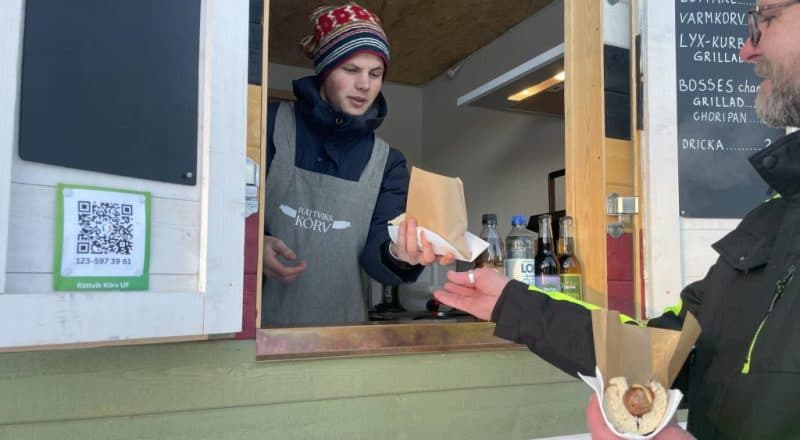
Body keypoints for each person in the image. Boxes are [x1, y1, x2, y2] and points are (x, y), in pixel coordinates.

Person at [434, 1, 800, 438]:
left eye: (765, 21)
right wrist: (511, 303)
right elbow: (667, 351)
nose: (745, 50)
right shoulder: (774, 217)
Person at [262, 3, 453, 326]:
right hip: (255, 338)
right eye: (351, 70)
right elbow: (222, 210)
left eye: (375, 74)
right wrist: (251, 242)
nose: (365, 84)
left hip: (343, 341)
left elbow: (375, 258)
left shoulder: (387, 163)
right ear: (324, 71)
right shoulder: (267, 126)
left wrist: (399, 254)